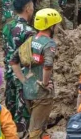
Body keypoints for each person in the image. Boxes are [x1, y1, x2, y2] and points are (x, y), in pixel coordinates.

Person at [10, 8, 61, 139]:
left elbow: (13, 61)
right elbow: (48, 65)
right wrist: (44, 83)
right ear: (51, 26)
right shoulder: (49, 44)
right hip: (42, 94)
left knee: (37, 126)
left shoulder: (30, 40)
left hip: (28, 90)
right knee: (36, 130)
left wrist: (24, 81)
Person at [3, 0, 34, 134]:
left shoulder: (7, 26)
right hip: (22, 76)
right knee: (22, 114)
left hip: (8, 73)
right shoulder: (28, 31)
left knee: (10, 109)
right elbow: (29, 58)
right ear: (27, 8)